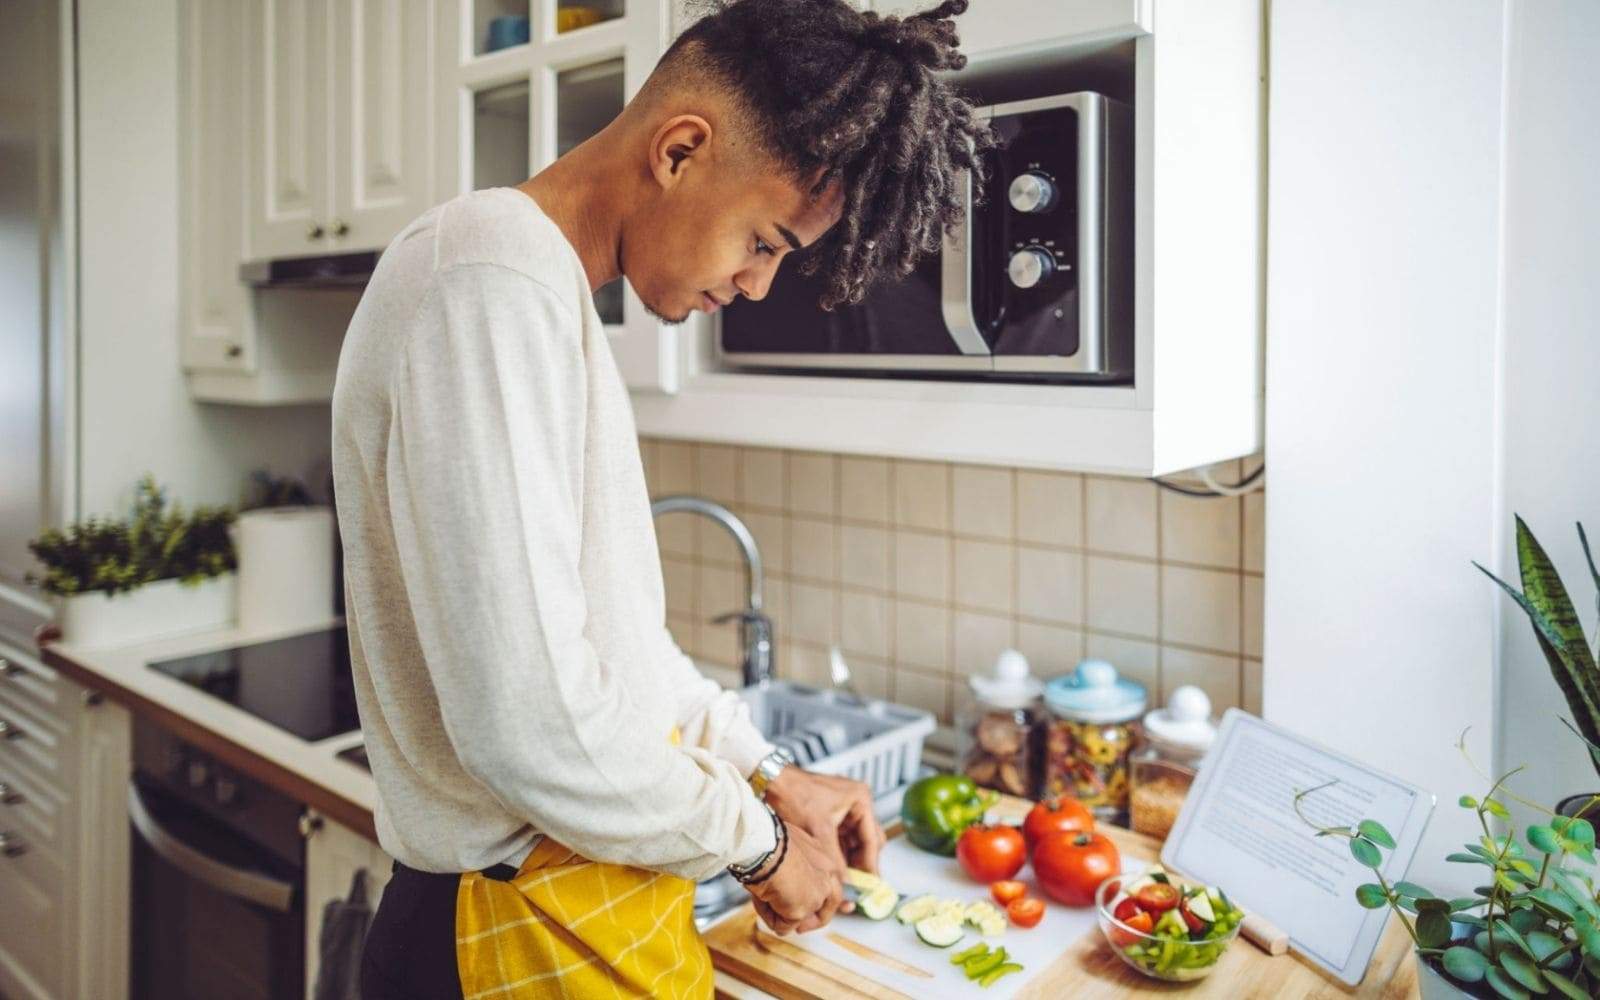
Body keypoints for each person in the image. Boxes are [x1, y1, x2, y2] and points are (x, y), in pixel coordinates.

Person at [331, 0, 994, 996]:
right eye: (764, 241)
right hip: (492, 931)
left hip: (565, 908)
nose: (759, 283)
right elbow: (533, 727)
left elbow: (619, 653)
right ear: (681, 151)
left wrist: (769, 769)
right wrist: (762, 842)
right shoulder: (488, 278)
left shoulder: (544, 292)